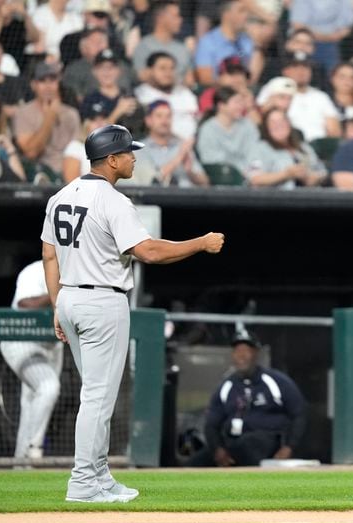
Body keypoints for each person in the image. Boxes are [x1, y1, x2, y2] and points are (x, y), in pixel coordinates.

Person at [42, 123, 225, 502]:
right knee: (98, 396)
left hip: (72, 298)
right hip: (101, 301)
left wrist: (58, 303)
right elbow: (149, 252)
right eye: (127, 152)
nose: (133, 157)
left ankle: (99, 474)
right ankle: (82, 482)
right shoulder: (112, 200)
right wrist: (202, 243)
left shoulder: (61, 195)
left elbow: (48, 253)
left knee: (99, 394)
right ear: (111, 160)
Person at [186, 330, 307, 467]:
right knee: (195, 463)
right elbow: (212, 425)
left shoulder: (275, 381)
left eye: (246, 350)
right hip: (233, 442)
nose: (241, 356)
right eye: (237, 351)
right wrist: (218, 449)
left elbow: (299, 414)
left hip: (266, 440)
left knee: (248, 444)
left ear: (255, 353)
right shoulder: (227, 386)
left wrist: (289, 447)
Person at [0, 260, 64, 462]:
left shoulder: (78, 269)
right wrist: (57, 291)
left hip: (53, 346)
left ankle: (21, 463)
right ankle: (33, 446)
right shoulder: (35, 270)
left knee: (31, 403)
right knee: (48, 387)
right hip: (22, 342)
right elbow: (24, 304)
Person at [13, 62, 80, 180]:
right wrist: (49, 117)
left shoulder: (71, 114)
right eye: (43, 81)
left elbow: (76, 150)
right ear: (34, 85)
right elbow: (31, 153)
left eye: (52, 80)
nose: (48, 86)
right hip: (41, 170)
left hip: (69, 170)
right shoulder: (23, 113)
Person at [134, 99, 209, 187]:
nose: (165, 121)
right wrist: (179, 158)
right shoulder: (139, 149)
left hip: (188, 197)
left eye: (168, 116)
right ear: (148, 121)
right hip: (158, 198)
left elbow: (205, 183)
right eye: (159, 116)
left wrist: (190, 172)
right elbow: (153, 180)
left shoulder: (181, 146)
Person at [245, 108, 326, 189]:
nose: (278, 125)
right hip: (276, 198)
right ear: (266, 127)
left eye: (282, 120)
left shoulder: (304, 147)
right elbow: (254, 179)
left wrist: (311, 177)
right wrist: (286, 174)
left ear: (289, 124)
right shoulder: (259, 148)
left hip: (308, 197)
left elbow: (321, 172)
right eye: (273, 122)